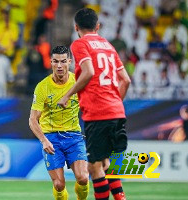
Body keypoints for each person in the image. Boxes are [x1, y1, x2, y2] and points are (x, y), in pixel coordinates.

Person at [58, 8, 131, 200]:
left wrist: (67, 95)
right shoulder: (108, 45)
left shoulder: (80, 44)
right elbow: (126, 80)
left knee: (94, 166)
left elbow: (89, 71)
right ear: (97, 26)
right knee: (108, 164)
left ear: (76, 27)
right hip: (117, 112)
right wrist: (115, 103)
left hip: (98, 114)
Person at [29, 46, 89, 200]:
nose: (60, 66)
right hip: (51, 138)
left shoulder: (78, 81)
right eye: (56, 61)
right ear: (51, 62)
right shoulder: (43, 87)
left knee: (83, 178)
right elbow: (32, 119)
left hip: (74, 137)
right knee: (59, 185)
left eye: (63, 61)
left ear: (69, 61)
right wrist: (44, 140)